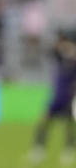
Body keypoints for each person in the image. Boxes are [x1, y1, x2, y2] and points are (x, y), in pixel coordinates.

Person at [30, 32, 76, 165]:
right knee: (44, 124)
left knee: (69, 127)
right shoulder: (61, 58)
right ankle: (39, 150)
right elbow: (52, 50)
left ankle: (68, 151)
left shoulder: (73, 63)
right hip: (56, 98)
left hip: (68, 98)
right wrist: (64, 47)